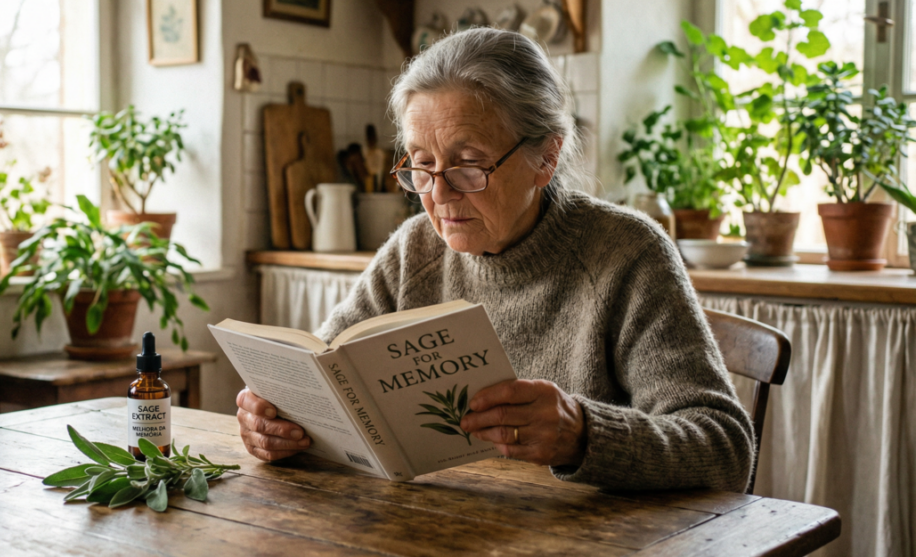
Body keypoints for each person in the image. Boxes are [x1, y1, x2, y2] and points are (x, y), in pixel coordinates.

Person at [236, 28, 755, 493]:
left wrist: (583, 433)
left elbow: (725, 447)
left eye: (468, 164)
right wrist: (276, 419)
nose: (439, 194)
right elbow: (321, 373)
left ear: (546, 158)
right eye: (421, 165)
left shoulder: (626, 253)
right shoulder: (413, 249)